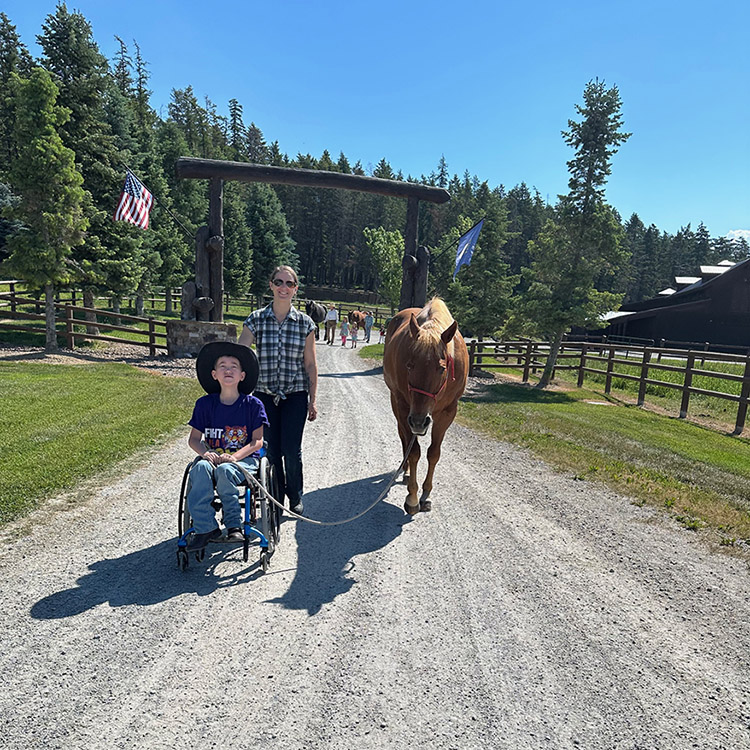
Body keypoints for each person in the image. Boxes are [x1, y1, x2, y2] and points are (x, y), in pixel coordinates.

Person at [239, 266, 317, 516]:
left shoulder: (305, 324)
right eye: (279, 282)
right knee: (269, 449)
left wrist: (312, 400)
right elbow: (241, 355)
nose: (284, 287)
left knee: (291, 450)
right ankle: (275, 496)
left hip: (294, 394)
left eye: (290, 284)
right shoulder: (255, 319)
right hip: (263, 395)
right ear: (271, 285)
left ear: (296, 289)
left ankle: (295, 495)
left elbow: (310, 364)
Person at [186, 341, 268, 551]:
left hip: (244, 460)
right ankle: (206, 527)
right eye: (222, 365)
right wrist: (206, 453)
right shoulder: (204, 405)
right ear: (214, 374)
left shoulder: (253, 405)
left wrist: (235, 457)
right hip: (213, 458)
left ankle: (234, 525)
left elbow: (257, 441)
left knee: (225, 471)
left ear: (242, 375)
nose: (228, 369)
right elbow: (194, 439)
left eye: (234, 366)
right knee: (200, 469)